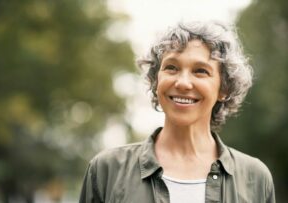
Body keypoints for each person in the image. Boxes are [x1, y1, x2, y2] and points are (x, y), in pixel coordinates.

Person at [79, 21, 275, 203]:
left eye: (200, 71)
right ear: (156, 81)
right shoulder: (107, 170)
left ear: (224, 89)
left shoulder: (255, 178)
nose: (182, 83)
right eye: (171, 67)